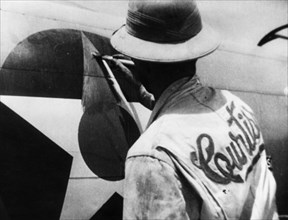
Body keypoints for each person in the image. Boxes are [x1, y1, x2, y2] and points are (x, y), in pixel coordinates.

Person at [110, 0, 279, 219]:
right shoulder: (237, 107)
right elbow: (191, 122)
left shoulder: (151, 156)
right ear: (195, 52)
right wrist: (147, 93)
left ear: (139, 61)